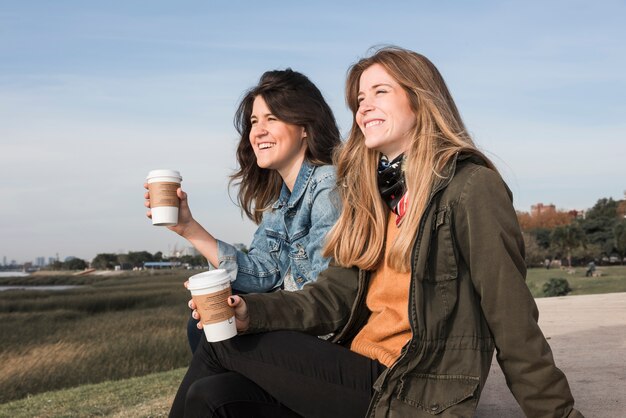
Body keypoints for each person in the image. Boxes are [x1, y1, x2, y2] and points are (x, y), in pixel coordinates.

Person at [169, 47, 584, 418]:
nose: (363, 107)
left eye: (380, 92)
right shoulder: (373, 196)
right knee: (211, 394)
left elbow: (511, 318)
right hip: (356, 365)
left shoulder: (471, 187)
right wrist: (249, 313)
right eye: (359, 100)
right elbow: (332, 298)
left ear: (421, 101)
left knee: (215, 341)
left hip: (412, 389)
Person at [145, 69, 342, 352]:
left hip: (323, 338)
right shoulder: (281, 201)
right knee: (206, 320)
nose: (258, 131)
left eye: (271, 119)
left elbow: (326, 298)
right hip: (298, 327)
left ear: (305, 128)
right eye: (253, 121)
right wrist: (188, 228)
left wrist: (252, 311)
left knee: (217, 330)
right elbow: (263, 274)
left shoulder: (327, 185)